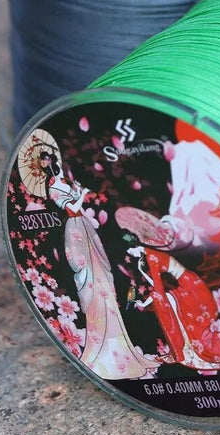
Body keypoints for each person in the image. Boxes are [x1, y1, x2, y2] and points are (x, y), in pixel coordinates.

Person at [40, 151, 158, 380]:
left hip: (85, 226)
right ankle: (101, 342)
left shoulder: (64, 180)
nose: (50, 162)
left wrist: (77, 188)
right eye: (46, 161)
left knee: (102, 275)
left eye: (50, 159)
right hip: (76, 228)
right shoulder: (53, 187)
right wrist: (82, 195)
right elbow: (72, 208)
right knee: (89, 276)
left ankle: (119, 339)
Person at [122, 231, 220, 372]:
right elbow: (158, 288)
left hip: (187, 299)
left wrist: (145, 256)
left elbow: (158, 289)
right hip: (185, 301)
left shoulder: (182, 292)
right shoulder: (188, 297)